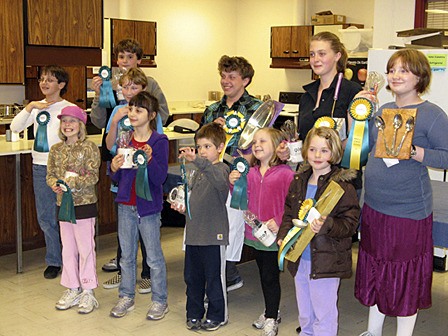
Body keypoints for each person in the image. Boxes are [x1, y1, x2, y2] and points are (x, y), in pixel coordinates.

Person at [354, 49, 448, 336]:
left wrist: (415, 152)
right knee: (376, 268)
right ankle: (373, 331)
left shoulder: (432, 115)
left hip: (407, 212)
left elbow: (446, 156)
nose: (396, 76)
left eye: (404, 70)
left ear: (420, 76)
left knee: (403, 275)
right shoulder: (381, 110)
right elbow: (362, 148)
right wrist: (359, 114)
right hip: (374, 206)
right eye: (392, 70)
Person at [90, 38, 169, 276]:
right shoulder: (109, 84)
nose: (124, 61)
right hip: (119, 165)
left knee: (145, 215)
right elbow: (101, 125)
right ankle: (125, 266)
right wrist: (99, 94)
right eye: (120, 57)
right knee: (123, 213)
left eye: (129, 57)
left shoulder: (150, 85)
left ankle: (147, 271)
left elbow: (160, 119)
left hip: (143, 167)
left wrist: (145, 125)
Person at [277, 126, 360, 336]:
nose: (317, 155)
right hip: (300, 258)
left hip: (327, 261)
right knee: (305, 313)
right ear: (305, 151)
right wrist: (283, 236)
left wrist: (328, 225)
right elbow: (289, 213)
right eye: (313, 149)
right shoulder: (298, 181)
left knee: (324, 314)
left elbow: (351, 224)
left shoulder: (343, 187)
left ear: (334, 153)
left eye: (324, 150)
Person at [201, 55, 263, 292]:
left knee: (234, 226)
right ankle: (220, 272)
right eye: (223, 76)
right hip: (213, 176)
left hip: (240, 176)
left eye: (232, 77)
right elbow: (202, 144)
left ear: (245, 80)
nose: (226, 81)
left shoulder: (256, 109)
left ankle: (228, 272)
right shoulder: (212, 109)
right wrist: (212, 131)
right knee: (213, 224)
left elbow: (262, 144)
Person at [10, 65, 75, 279]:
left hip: (63, 168)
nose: (44, 83)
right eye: (42, 79)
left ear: (61, 85)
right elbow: (15, 127)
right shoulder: (37, 108)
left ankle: (72, 259)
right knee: (46, 217)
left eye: (50, 80)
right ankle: (54, 260)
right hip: (40, 167)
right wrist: (30, 108)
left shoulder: (68, 108)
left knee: (66, 215)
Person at [109, 91, 169, 320]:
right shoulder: (124, 138)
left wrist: (151, 159)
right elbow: (116, 176)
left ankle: (159, 300)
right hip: (125, 204)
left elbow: (160, 178)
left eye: (139, 110)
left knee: (153, 257)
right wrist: (113, 168)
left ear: (152, 115)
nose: (132, 113)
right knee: (126, 255)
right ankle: (126, 296)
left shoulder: (159, 141)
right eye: (131, 109)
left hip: (149, 208)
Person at [229, 127, 294, 336]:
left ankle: (272, 317)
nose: (256, 145)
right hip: (256, 236)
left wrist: (279, 220)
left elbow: (293, 203)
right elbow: (242, 198)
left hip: (274, 237)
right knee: (263, 274)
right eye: (255, 142)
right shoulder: (251, 173)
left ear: (276, 147)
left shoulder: (286, 174)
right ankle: (270, 310)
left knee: (270, 277)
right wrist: (233, 185)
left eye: (263, 142)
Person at [171, 122, 230, 331]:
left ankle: (218, 314)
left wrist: (196, 160)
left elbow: (220, 185)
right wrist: (183, 207)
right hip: (194, 236)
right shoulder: (196, 172)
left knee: (214, 278)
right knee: (192, 278)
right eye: (200, 147)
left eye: (207, 147)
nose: (203, 152)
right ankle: (193, 313)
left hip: (213, 236)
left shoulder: (222, 170)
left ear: (220, 147)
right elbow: (195, 199)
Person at [101, 68, 152, 294]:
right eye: (125, 87)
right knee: (125, 231)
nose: (129, 92)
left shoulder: (151, 113)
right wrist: (115, 122)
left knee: (147, 229)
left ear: (143, 89)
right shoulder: (118, 111)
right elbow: (109, 145)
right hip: (122, 178)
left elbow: (156, 142)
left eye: (134, 87)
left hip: (142, 178)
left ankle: (148, 275)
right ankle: (124, 274)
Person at [46, 106, 101, 314]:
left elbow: (93, 176)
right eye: (64, 121)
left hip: (83, 205)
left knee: (85, 248)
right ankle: (72, 287)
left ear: (81, 125)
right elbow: (50, 174)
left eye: (72, 121)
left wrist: (73, 182)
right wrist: (55, 184)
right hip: (63, 206)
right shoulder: (56, 150)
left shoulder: (89, 148)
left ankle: (88, 289)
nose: (68, 125)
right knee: (67, 248)